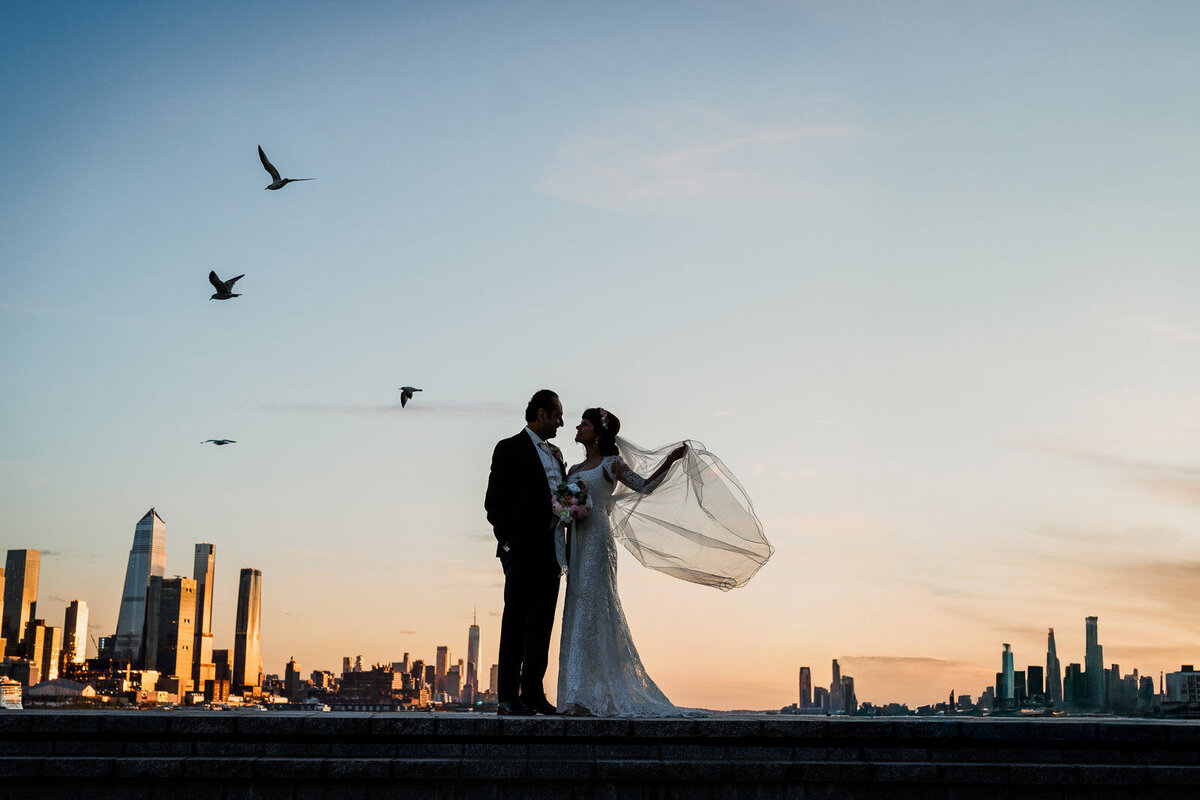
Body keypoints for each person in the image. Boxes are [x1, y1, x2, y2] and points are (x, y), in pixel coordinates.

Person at [556, 407, 687, 716]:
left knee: (594, 607)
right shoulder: (573, 467)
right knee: (576, 608)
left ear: (598, 433)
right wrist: (564, 510)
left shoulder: (611, 464)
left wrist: (670, 461)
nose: (578, 426)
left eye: (584, 423)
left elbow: (644, 486)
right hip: (576, 538)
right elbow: (562, 499)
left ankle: (597, 694)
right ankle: (576, 694)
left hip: (597, 538)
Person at [484, 389, 566, 716]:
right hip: (521, 549)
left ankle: (533, 692)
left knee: (542, 623)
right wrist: (510, 544)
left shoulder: (557, 454)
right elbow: (494, 503)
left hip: (552, 550)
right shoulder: (509, 448)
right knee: (516, 620)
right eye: (557, 415)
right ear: (541, 414)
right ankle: (507, 697)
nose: (561, 422)